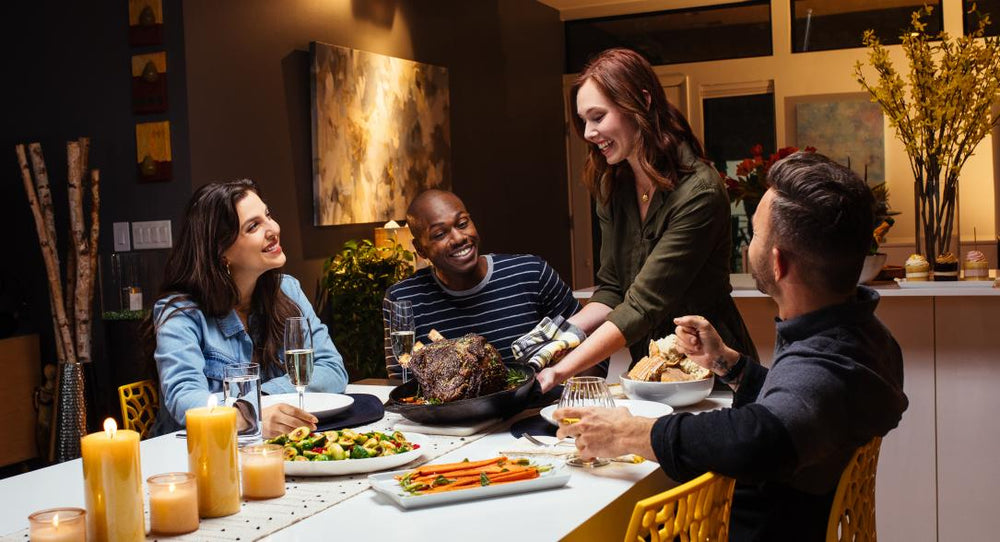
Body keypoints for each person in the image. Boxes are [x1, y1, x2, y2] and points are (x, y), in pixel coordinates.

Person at [555, 152, 909, 541]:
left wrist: (627, 432)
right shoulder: (867, 335)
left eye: (755, 234)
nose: (748, 244)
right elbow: (804, 406)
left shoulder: (823, 367)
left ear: (777, 263)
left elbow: (757, 438)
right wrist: (730, 365)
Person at [535, 47, 755, 392]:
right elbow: (611, 289)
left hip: (711, 375)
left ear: (642, 102)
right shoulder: (613, 184)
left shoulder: (699, 191)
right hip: (647, 372)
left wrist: (560, 371)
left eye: (598, 116)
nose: (589, 132)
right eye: (583, 121)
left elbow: (642, 304)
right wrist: (559, 336)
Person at [147, 179, 349, 438]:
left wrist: (261, 398)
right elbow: (186, 399)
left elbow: (332, 369)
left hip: (271, 450)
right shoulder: (180, 312)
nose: (273, 229)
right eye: (253, 226)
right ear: (222, 251)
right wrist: (252, 414)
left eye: (267, 215)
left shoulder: (287, 290)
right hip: (194, 457)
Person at [383, 189, 583, 373]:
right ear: (420, 249)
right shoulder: (404, 298)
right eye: (440, 234)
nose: (459, 238)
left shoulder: (532, 273)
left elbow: (588, 341)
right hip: (449, 412)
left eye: (462, 224)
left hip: (541, 407)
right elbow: (401, 378)